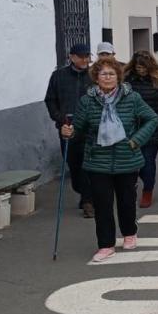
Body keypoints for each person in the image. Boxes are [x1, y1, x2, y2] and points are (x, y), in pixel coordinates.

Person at [61, 57, 158, 262]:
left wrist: (136, 140)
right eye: (103, 74)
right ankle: (105, 245)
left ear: (118, 77)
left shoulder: (131, 98)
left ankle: (129, 233)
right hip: (98, 160)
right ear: (96, 77)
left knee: (126, 201)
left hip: (127, 158)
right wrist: (69, 132)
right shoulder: (87, 101)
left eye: (111, 73)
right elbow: (78, 130)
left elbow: (152, 118)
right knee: (102, 204)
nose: (107, 77)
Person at [45, 43, 94, 217]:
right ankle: (83, 192)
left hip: (90, 128)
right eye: (81, 56)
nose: (85, 60)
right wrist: (60, 118)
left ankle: (89, 201)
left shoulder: (93, 76)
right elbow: (50, 100)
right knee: (74, 165)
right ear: (71, 57)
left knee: (89, 164)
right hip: (67, 127)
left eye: (87, 56)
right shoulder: (59, 76)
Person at [124, 50, 158, 209]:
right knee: (131, 162)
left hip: (154, 129)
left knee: (147, 161)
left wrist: (155, 122)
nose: (141, 70)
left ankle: (148, 190)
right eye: (139, 67)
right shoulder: (126, 81)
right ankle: (132, 187)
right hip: (132, 129)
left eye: (144, 68)